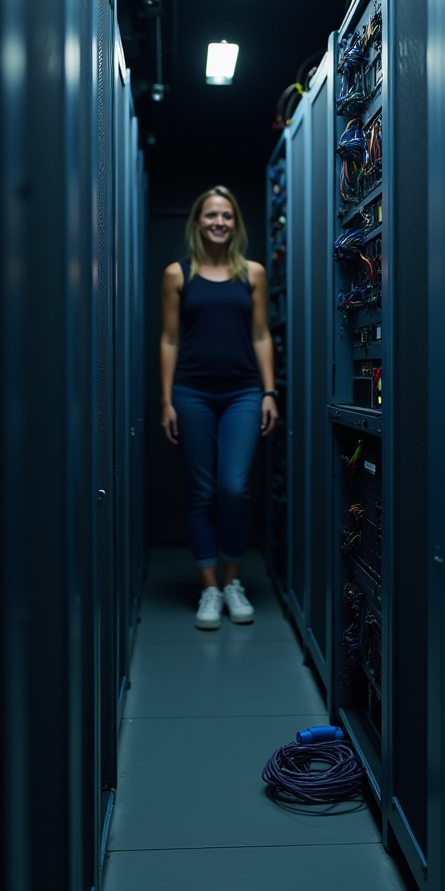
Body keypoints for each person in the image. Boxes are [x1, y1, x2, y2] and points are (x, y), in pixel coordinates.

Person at [160, 185, 280, 629]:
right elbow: (170, 339)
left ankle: (233, 582)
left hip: (243, 393)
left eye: (227, 216)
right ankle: (210, 589)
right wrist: (166, 399)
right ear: (197, 222)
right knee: (202, 492)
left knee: (234, 488)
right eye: (211, 215)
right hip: (191, 393)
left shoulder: (252, 273)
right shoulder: (178, 274)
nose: (219, 223)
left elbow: (262, 335)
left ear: (236, 224)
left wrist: (269, 392)